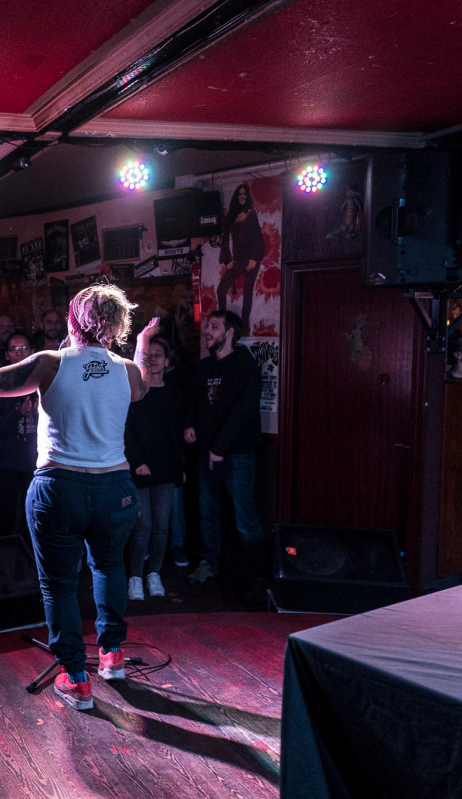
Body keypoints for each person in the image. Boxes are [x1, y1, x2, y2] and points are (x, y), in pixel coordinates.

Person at [0, 284, 156, 712]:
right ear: (115, 326)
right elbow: (143, 389)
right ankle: (111, 656)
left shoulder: (50, 363)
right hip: (115, 489)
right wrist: (144, 343)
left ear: (73, 320)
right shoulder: (128, 370)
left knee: (58, 584)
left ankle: (76, 677)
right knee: (110, 567)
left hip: (62, 487)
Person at [184, 311, 265, 595]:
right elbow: (192, 401)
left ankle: (259, 574)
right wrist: (190, 424)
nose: (207, 331)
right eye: (207, 326)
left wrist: (219, 448)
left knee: (244, 516)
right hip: (207, 453)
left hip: (237, 455)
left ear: (230, 332)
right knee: (207, 513)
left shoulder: (246, 367)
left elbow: (243, 413)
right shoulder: (204, 368)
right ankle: (210, 563)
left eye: (214, 327)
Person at [124, 335, 188, 601]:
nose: (153, 358)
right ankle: (136, 577)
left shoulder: (174, 393)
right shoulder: (136, 392)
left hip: (166, 466)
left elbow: (176, 432)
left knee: (162, 525)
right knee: (143, 526)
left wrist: (180, 466)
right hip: (140, 467)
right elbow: (126, 431)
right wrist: (137, 462)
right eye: (148, 354)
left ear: (167, 360)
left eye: (158, 353)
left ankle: (154, 573)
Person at [0, 333, 40, 539]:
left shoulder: (40, 380)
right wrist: (18, 414)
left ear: (32, 352)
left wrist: (37, 414)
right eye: (14, 350)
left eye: (24, 348)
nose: (20, 354)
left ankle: (29, 562)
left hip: (32, 462)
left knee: (32, 517)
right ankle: (1, 563)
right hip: (5, 463)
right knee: (4, 518)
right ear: (7, 354)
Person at [216, 183, 265, 332]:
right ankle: (223, 322)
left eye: (244, 194)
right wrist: (227, 260)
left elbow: (257, 237)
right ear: (236, 197)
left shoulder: (251, 215)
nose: (242, 196)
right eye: (240, 194)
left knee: (247, 291)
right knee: (221, 289)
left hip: (250, 259)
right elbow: (224, 240)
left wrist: (254, 258)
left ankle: (244, 326)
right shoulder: (230, 217)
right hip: (237, 260)